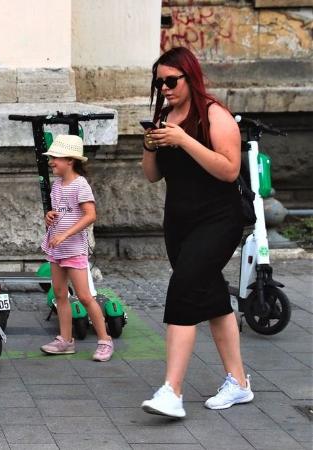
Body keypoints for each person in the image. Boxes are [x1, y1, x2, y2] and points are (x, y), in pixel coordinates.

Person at [140, 47, 252, 418]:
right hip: (180, 222)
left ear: (190, 76)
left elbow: (229, 170)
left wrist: (184, 140)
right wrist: (150, 146)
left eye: (171, 81)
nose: (165, 88)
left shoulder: (213, 115)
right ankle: (238, 382)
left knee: (184, 290)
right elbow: (153, 175)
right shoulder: (165, 115)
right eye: (160, 83)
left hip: (219, 220)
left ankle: (172, 390)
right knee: (212, 296)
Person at [37, 135, 114, 362]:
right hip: (56, 249)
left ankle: (104, 340)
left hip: (73, 249)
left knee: (85, 296)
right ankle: (65, 340)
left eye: (56, 158)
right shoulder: (57, 185)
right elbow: (60, 212)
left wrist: (65, 235)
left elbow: (90, 215)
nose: (52, 162)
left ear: (70, 160)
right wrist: (49, 217)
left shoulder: (80, 185)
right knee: (60, 295)